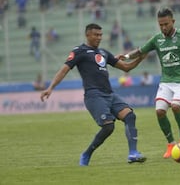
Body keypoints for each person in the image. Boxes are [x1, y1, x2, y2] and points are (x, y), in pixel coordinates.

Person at [40, 23, 146, 166]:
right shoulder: (79, 51)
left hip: (109, 94)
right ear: (88, 35)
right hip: (94, 95)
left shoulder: (104, 53)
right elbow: (64, 69)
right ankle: (87, 153)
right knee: (108, 127)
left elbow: (126, 67)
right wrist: (50, 87)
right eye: (96, 35)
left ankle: (133, 153)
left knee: (130, 116)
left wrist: (141, 57)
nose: (99, 38)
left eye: (101, 35)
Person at [120, 7, 180, 158]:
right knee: (159, 111)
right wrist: (126, 56)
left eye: (166, 24)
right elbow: (140, 51)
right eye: (161, 25)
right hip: (166, 81)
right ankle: (170, 144)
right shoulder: (157, 39)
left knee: (176, 106)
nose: (164, 27)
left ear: (173, 21)